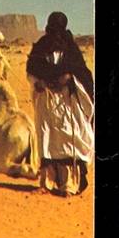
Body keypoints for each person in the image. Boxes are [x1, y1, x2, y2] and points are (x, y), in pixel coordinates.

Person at [26, 11, 95, 196]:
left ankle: (69, 185)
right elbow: (32, 70)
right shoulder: (41, 46)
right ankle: (46, 183)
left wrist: (69, 78)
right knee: (46, 139)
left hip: (67, 101)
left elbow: (82, 74)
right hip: (46, 100)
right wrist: (38, 82)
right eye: (52, 28)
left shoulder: (71, 49)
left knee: (68, 139)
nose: (54, 33)